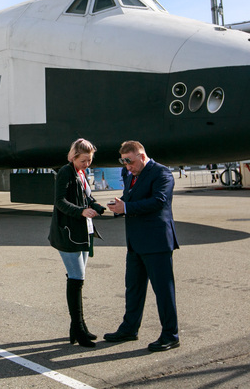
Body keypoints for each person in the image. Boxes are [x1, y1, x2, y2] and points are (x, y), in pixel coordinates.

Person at [105, 140, 180, 352]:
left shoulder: (162, 173)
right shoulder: (130, 175)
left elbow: (160, 201)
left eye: (130, 161)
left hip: (156, 243)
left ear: (141, 155)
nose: (127, 167)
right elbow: (131, 199)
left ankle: (170, 335)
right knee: (133, 288)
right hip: (135, 242)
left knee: (163, 291)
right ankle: (129, 328)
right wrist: (120, 205)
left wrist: (126, 206)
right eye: (124, 162)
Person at [48, 138, 106, 348]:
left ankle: (78, 327)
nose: (87, 164)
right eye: (84, 160)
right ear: (73, 157)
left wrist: (96, 206)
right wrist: (81, 211)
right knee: (76, 279)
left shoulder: (81, 173)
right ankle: (78, 328)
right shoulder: (65, 171)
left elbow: (86, 197)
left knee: (78, 280)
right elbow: (59, 201)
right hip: (68, 233)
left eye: (89, 160)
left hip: (83, 232)